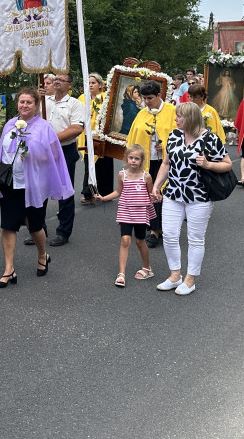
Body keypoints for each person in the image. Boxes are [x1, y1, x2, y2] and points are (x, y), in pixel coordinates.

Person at [0, 87, 73, 288]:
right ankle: (9, 269)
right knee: (8, 224)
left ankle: (42, 254)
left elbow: (54, 156)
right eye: (21, 102)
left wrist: (33, 155)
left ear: (36, 105)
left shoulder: (44, 127)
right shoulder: (10, 124)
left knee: (34, 225)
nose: (24, 105)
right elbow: (2, 150)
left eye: (29, 102)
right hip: (10, 182)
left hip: (33, 184)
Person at [151, 103, 232, 296]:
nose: (175, 119)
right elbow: (166, 163)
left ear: (190, 118)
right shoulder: (174, 135)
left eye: (179, 116)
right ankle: (175, 275)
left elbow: (227, 165)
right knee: (170, 235)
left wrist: (208, 164)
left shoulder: (210, 139)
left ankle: (190, 279)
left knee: (195, 239)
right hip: (173, 194)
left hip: (199, 196)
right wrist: (156, 185)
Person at [125, 80, 177, 248]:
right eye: (144, 98)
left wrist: (167, 145)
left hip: (165, 161)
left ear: (159, 96)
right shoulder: (142, 113)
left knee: (159, 192)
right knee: (148, 193)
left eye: (150, 98)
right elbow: (134, 135)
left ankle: (156, 231)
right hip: (146, 160)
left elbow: (179, 134)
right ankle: (152, 224)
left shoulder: (172, 111)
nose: (147, 102)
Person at [94, 144, 154, 287]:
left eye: (137, 159)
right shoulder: (122, 175)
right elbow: (118, 192)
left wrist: (157, 197)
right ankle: (121, 273)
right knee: (125, 240)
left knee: (140, 242)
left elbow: (151, 195)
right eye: (131, 158)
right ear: (126, 158)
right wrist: (104, 198)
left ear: (142, 160)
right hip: (125, 211)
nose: (133, 161)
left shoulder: (147, 177)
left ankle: (147, 268)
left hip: (140, 213)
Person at [44, 72, 84, 246]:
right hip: (43, 150)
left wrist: (52, 139)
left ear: (70, 85)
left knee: (64, 191)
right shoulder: (44, 101)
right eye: (55, 80)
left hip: (64, 149)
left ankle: (64, 232)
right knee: (40, 189)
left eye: (61, 80)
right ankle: (38, 229)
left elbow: (76, 128)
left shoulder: (75, 104)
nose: (57, 82)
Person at [78, 72, 113, 204]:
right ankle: (88, 193)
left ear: (100, 84)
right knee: (89, 164)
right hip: (87, 135)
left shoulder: (105, 97)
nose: (90, 85)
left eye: (93, 82)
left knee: (104, 164)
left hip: (102, 135)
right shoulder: (82, 97)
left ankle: (105, 192)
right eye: (88, 83)